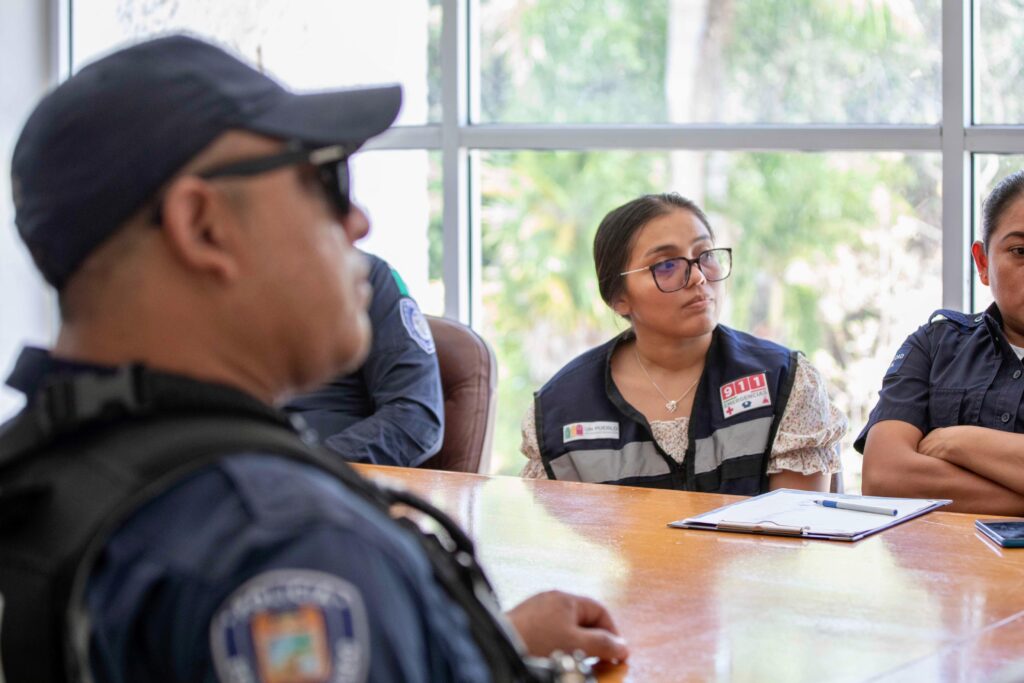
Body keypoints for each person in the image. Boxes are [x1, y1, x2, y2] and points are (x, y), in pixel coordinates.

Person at [0, 35, 627, 682]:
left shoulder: (41, 483)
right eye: (323, 177)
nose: (357, 220)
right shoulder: (284, 547)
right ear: (203, 225)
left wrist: (459, 643)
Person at [521, 193, 847, 494]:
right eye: (666, 266)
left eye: (705, 256)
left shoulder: (784, 381)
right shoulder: (561, 411)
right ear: (619, 298)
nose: (699, 278)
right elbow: (557, 549)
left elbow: (798, 537)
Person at [858, 171, 1024, 515]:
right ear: (982, 262)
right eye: (1020, 250)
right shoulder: (934, 346)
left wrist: (958, 442)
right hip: (940, 568)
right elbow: (883, 478)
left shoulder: (955, 441)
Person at [285, 251, 444, 466]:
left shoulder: (367, 276)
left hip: (329, 475)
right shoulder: (232, 283)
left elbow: (415, 418)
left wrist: (316, 467)